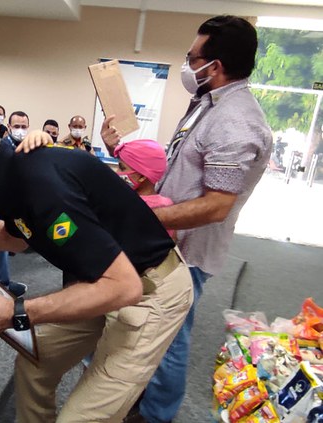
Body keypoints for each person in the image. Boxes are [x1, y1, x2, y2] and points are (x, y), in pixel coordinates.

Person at [0, 108, 193, 423]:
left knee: (83, 417)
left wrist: (14, 312)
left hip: (148, 289)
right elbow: (17, 238)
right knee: (34, 364)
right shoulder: (11, 177)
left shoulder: (41, 183)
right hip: (99, 278)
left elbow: (125, 288)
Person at [101, 15, 273, 423]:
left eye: (192, 57)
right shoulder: (209, 104)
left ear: (215, 66)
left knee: (170, 338)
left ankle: (156, 416)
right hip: (169, 241)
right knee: (152, 330)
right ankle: (143, 400)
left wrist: (147, 215)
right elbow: (177, 167)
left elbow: (216, 206)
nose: (187, 64)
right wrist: (120, 151)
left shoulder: (237, 122)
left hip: (189, 252)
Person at [115, 139, 175, 239]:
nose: (117, 172)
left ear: (142, 176)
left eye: (122, 168)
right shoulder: (167, 205)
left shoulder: (129, 205)